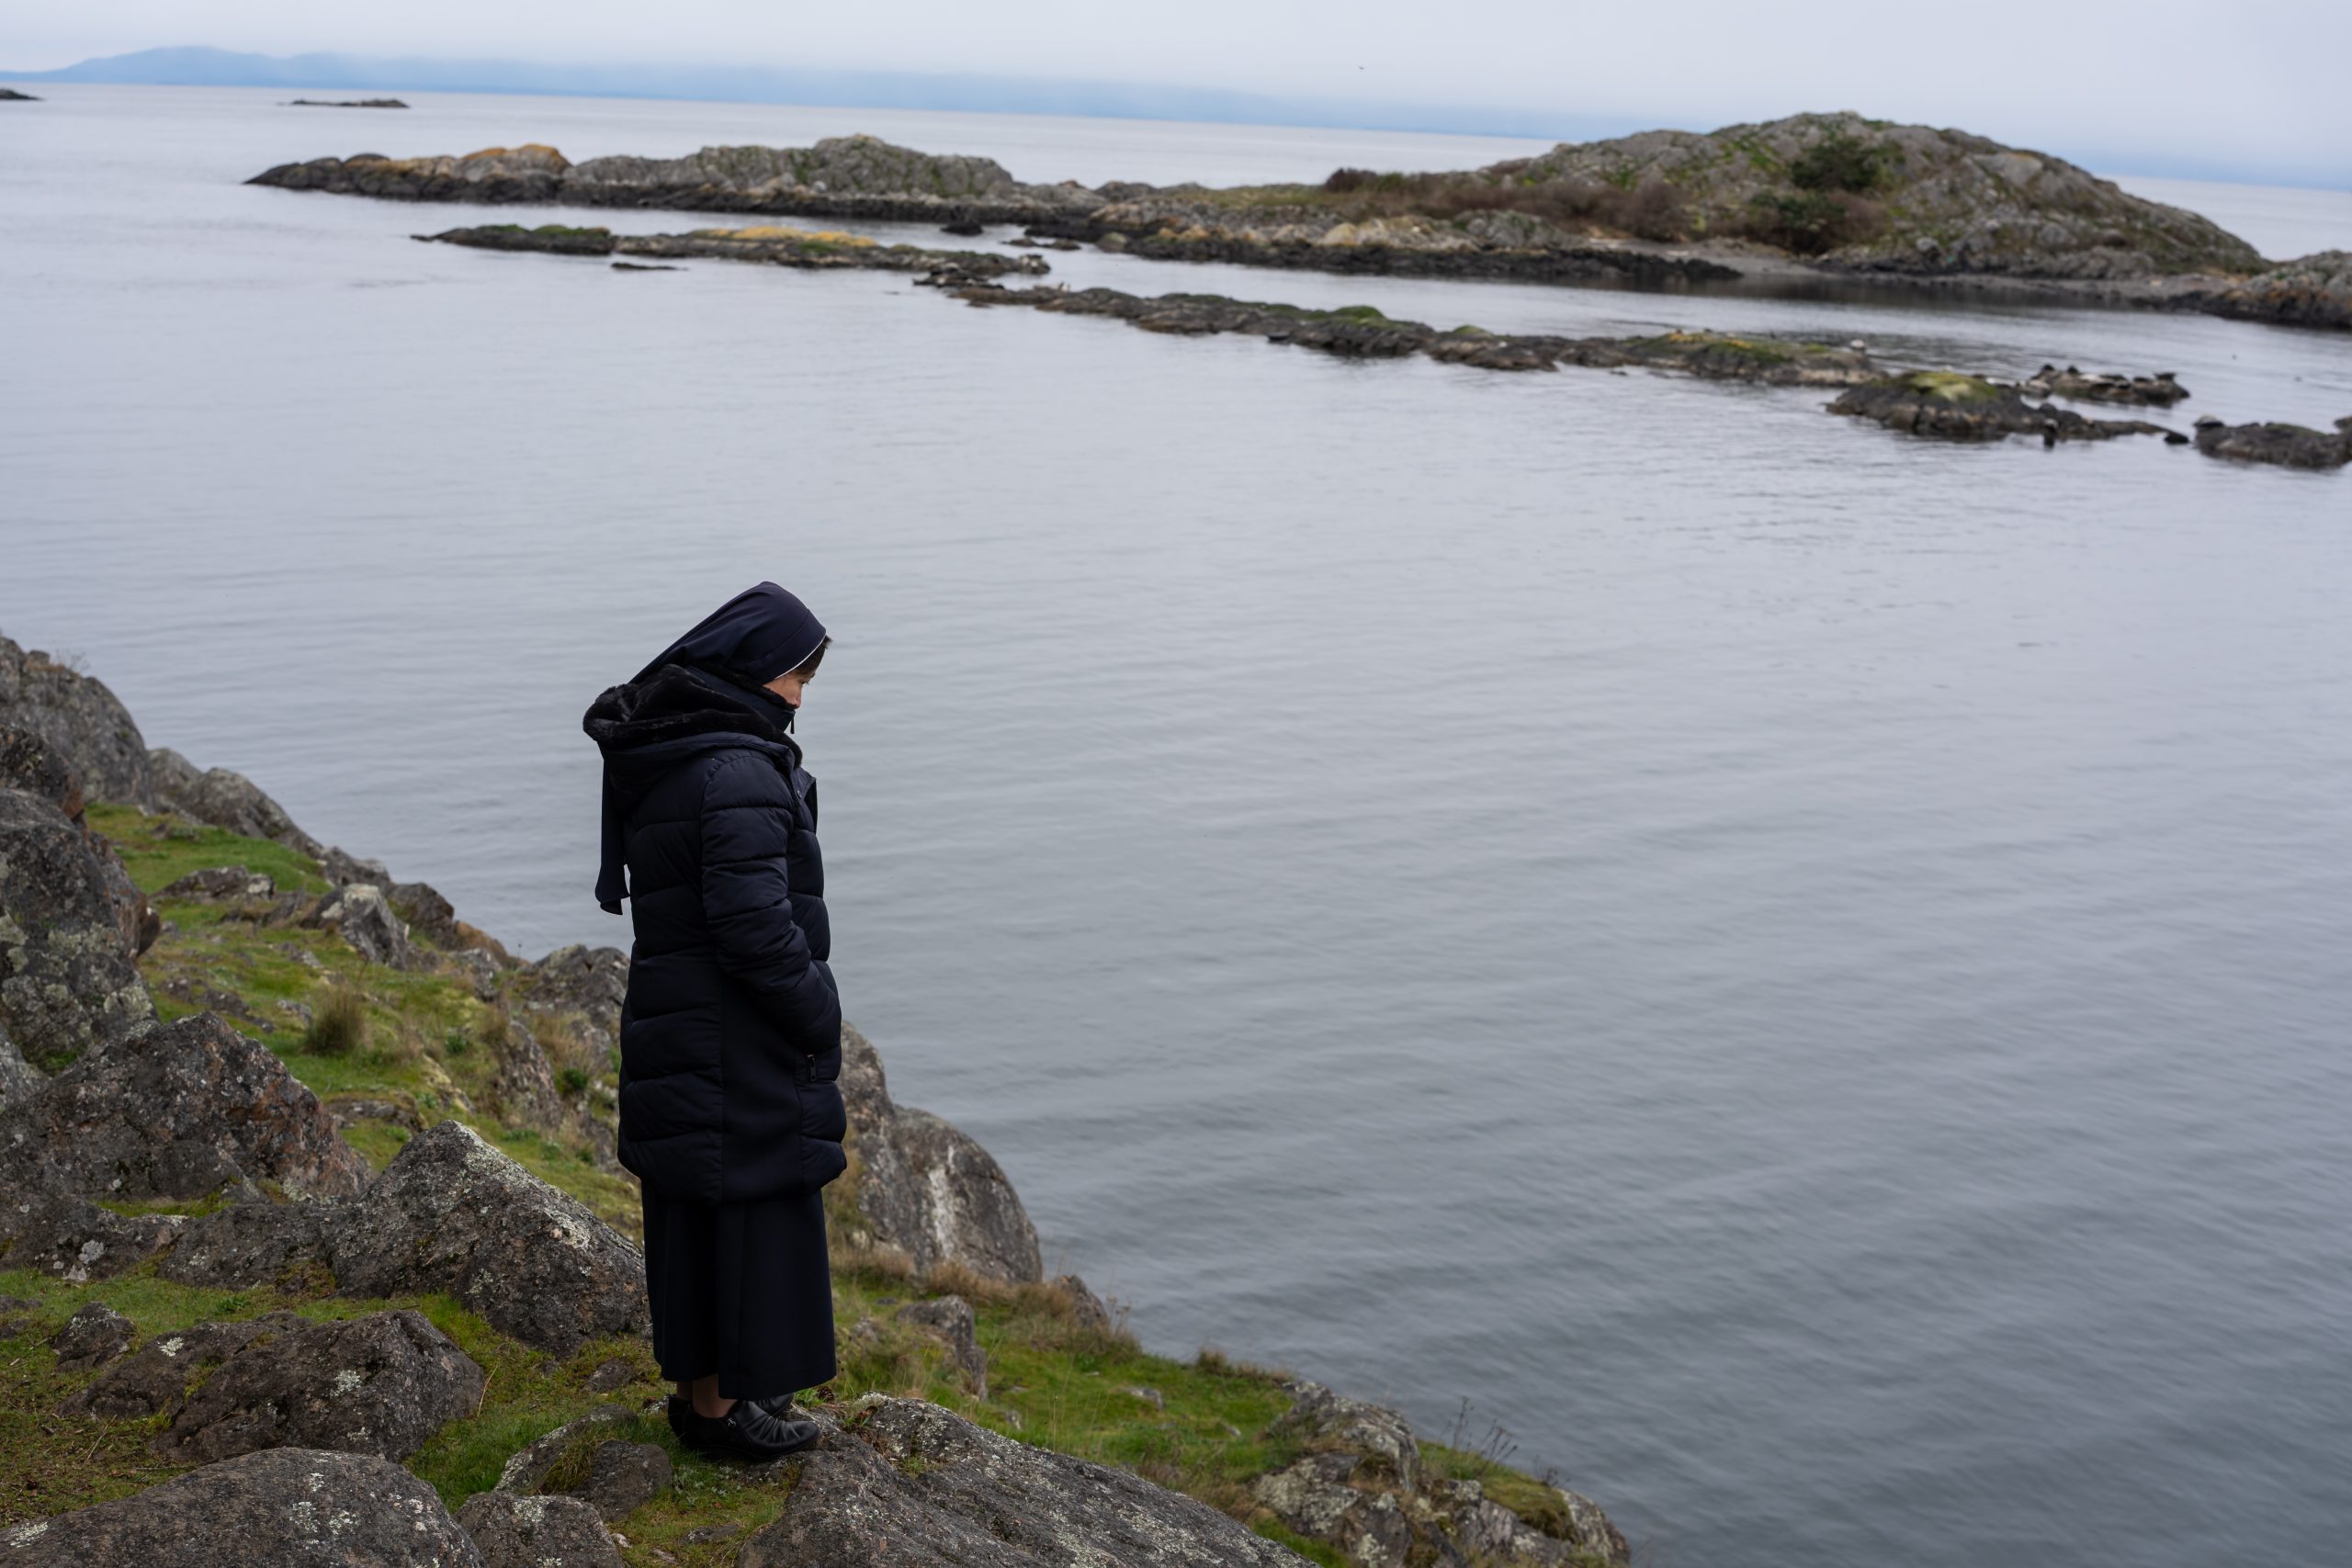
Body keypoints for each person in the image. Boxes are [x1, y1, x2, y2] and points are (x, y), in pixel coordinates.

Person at [583, 582, 843, 1460]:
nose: (799, 696)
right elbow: (753, 926)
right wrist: (818, 1005)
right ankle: (726, 1416)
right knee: (747, 1214)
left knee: (698, 1212)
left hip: (682, 1016)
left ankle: (706, 1397)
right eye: (793, 676)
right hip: (734, 1033)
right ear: (750, 670)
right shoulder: (736, 768)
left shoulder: (679, 749)